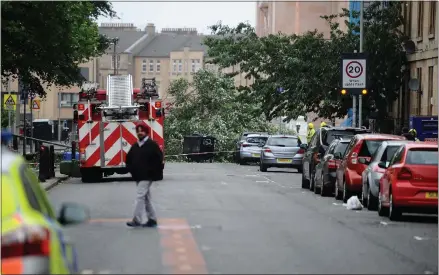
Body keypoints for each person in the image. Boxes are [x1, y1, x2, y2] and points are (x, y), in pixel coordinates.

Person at [125, 124, 163, 228]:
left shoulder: (151, 144)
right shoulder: (136, 146)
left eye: (142, 131)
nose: (139, 133)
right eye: (138, 131)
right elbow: (128, 158)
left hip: (147, 176)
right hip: (138, 176)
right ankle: (152, 219)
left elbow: (159, 159)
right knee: (146, 198)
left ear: (146, 132)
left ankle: (136, 220)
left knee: (140, 196)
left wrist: (153, 172)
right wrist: (131, 169)